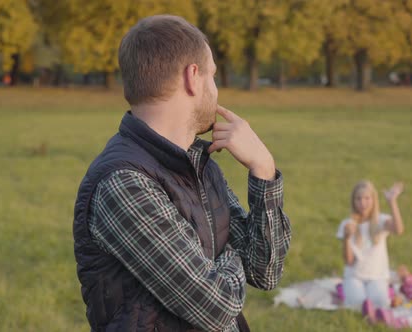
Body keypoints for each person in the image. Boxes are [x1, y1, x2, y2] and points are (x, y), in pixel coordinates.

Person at [73, 15, 291, 332]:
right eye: (213, 76)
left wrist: (264, 171)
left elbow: (264, 271)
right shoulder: (123, 183)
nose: (216, 90)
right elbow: (216, 307)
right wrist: (229, 255)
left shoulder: (200, 166)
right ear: (192, 77)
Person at [336, 180, 405, 311]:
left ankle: (386, 292)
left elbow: (399, 230)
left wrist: (392, 202)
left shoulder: (381, 220)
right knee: (357, 304)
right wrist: (346, 238)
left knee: (379, 302)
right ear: (353, 201)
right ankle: (344, 288)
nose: (362, 203)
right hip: (354, 275)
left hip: (377, 276)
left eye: (367, 198)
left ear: (373, 200)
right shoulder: (348, 224)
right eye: (358, 199)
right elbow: (348, 261)